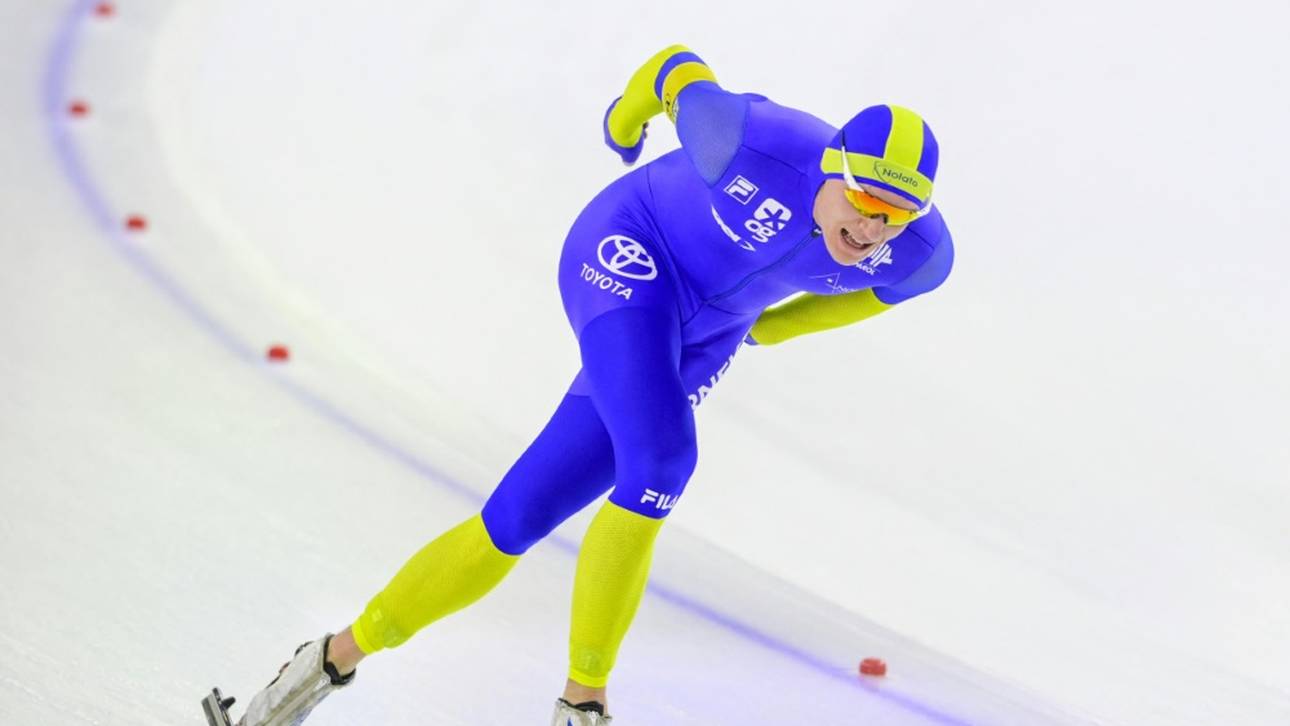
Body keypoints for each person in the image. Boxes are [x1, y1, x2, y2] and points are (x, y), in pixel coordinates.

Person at [212, 43, 954, 726]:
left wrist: (773, 328)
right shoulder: (745, 140)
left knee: (517, 517)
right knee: (662, 461)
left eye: (899, 214)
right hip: (628, 252)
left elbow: (882, 291)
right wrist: (625, 118)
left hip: (709, 328)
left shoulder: (919, 254)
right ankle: (583, 704)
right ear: (831, 167)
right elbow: (676, 68)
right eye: (864, 202)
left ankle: (321, 666)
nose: (874, 230)